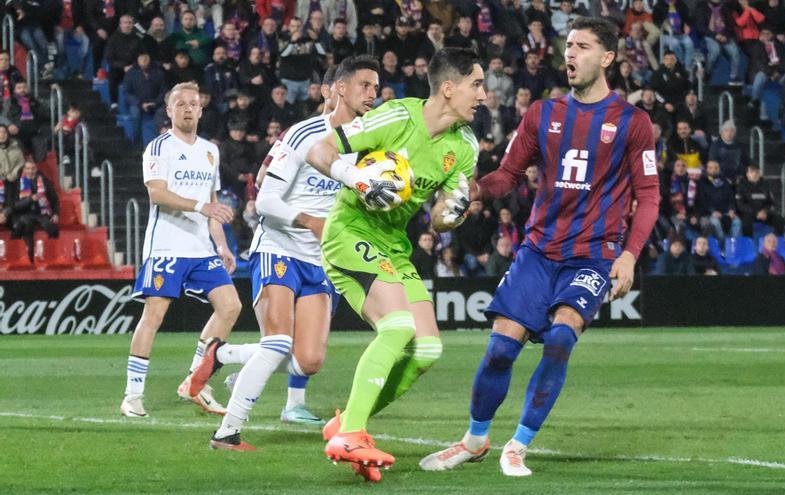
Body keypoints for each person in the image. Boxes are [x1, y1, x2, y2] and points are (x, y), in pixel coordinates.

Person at [420, 18, 659, 477]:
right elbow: (507, 176)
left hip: (594, 254)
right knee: (500, 351)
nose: (570, 54)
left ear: (607, 58)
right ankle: (474, 440)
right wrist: (475, 190)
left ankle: (519, 444)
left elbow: (648, 196)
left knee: (561, 338)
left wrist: (628, 255)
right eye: (568, 46)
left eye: (583, 47)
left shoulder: (633, 122)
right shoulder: (542, 115)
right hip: (538, 250)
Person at [303, 47, 483, 478]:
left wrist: (454, 210)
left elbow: (440, 219)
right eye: (476, 85)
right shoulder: (397, 117)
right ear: (448, 88)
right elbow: (318, 150)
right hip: (350, 231)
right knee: (398, 327)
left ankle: (345, 423)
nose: (483, 95)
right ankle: (353, 433)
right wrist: (355, 176)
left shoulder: (465, 148)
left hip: (393, 246)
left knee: (427, 348)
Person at [190, 56, 382, 456]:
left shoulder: (369, 142)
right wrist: (310, 220)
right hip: (278, 247)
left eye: (376, 87)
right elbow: (265, 200)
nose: (373, 94)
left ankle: (222, 353)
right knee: (277, 343)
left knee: (308, 361)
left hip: (320, 259)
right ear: (340, 88)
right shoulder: (303, 134)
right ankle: (227, 433)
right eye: (365, 85)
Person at [122, 82, 240, 418]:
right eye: (180, 104)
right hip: (167, 247)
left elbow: (213, 204)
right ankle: (132, 395)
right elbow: (157, 194)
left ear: (201, 110)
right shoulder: (160, 148)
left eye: (193, 103)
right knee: (153, 317)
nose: (187, 108)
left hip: (202, 249)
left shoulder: (210, 151)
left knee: (230, 306)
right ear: (169, 110)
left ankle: (194, 380)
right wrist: (201, 207)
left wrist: (221, 244)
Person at [9, 160, 59, 259]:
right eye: (27, 168)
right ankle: (29, 256)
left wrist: (56, 213)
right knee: (26, 225)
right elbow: (14, 206)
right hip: (24, 213)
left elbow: (54, 199)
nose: (30, 171)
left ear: (36, 169)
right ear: (24, 170)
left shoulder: (44, 181)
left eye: (33, 168)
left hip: (42, 213)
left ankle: (52, 255)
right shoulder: (18, 183)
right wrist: (29, 199)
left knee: (51, 227)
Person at [697, 160, 741, 242]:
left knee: (737, 221)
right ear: (706, 169)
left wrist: (731, 209)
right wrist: (712, 211)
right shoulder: (702, 182)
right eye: (710, 168)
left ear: (719, 169)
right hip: (709, 213)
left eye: (716, 168)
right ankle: (722, 247)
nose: (713, 170)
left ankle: (734, 245)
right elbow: (701, 201)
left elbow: (731, 198)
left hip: (725, 211)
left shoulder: (724, 182)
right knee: (715, 222)